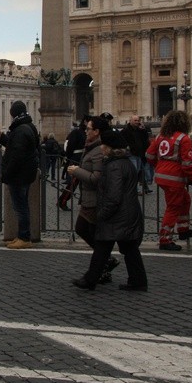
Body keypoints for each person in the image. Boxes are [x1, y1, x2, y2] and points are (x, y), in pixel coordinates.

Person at [72, 129, 147, 291]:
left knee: (102, 247)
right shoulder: (125, 162)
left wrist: (102, 214)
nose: (102, 149)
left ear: (110, 148)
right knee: (129, 248)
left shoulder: (114, 166)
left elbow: (113, 196)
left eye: (104, 146)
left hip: (116, 215)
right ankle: (138, 280)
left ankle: (90, 280)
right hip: (127, 214)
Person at [67, 116, 120, 284]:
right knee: (86, 230)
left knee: (89, 231)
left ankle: (102, 266)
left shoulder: (98, 151)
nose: (85, 131)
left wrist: (77, 171)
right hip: (89, 198)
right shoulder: (91, 146)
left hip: (95, 200)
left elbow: (97, 178)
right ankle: (104, 265)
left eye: (88, 129)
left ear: (96, 132)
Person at [146, 110, 192, 251]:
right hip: (175, 177)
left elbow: (149, 155)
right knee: (173, 207)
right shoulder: (183, 138)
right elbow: (188, 163)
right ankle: (165, 238)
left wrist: (160, 166)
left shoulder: (160, 137)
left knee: (185, 200)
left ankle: (183, 229)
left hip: (161, 176)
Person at [0, 100, 39, 249]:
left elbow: (16, 156)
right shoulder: (28, 127)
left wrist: (6, 174)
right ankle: (21, 235)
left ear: (13, 113)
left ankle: (24, 237)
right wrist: (1, 136)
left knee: (21, 208)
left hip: (19, 176)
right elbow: (14, 145)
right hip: (25, 174)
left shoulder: (21, 130)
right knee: (22, 206)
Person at [58, 116, 88, 210]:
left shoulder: (84, 132)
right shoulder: (77, 132)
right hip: (77, 159)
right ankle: (62, 200)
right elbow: (70, 146)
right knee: (73, 183)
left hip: (83, 158)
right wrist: (70, 158)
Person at [121, 115, 152, 194]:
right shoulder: (125, 130)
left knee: (138, 172)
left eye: (138, 120)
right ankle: (134, 189)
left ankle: (138, 188)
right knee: (134, 172)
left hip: (139, 154)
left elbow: (145, 139)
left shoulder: (140, 130)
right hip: (131, 154)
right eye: (135, 120)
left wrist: (144, 130)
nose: (137, 122)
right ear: (130, 121)